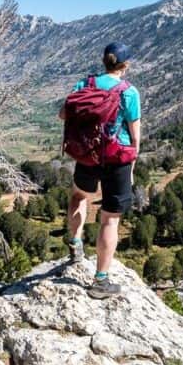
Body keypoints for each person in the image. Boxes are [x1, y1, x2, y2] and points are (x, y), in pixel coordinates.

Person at [58, 42, 141, 298]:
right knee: (110, 219)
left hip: (88, 155)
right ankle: (100, 281)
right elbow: (135, 135)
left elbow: (63, 114)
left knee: (79, 197)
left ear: (104, 61)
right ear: (125, 65)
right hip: (117, 159)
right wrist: (133, 165)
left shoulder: (85, 85)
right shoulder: (129, 92)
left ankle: (74, 244)